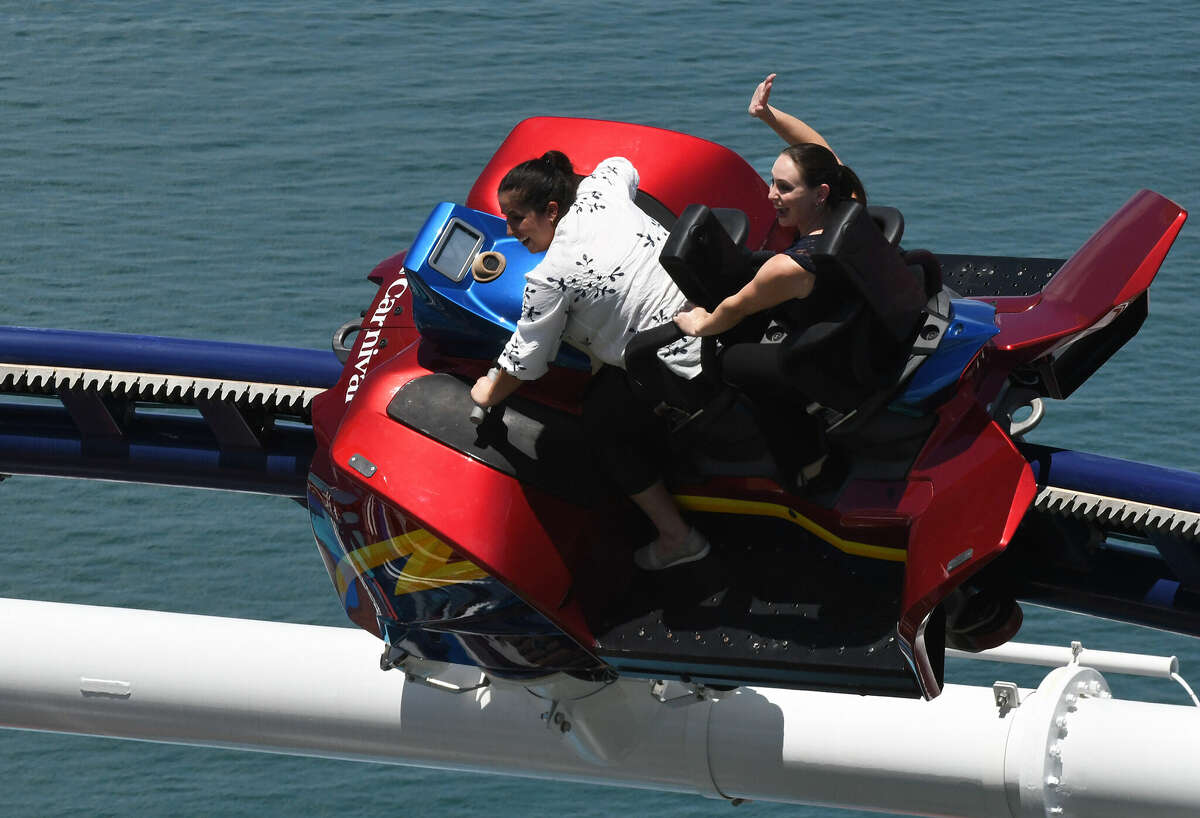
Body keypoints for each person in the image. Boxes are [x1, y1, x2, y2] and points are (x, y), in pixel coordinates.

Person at [470, 150, 710, 571]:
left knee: (601, 423)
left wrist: (487, 390)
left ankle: (678, 537)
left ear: (550, 210)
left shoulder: (550, 277)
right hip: (709, 317)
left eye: (516, 219)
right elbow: (621, 164)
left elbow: (526, 361)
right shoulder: (602, 191)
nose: (510, 231)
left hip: (679, 366)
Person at [673, 74, 868, 487]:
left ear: (818, 193)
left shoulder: (790, 267)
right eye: (771, 182)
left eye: (783, 187)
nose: (769, 195)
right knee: (753, 266)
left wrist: (695, 323)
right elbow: (822, 152)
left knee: (733, 360)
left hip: (829, 353)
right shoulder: (849, 205)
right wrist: (767, 115)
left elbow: (731, 310)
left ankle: (809, 460)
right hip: (856, 319)